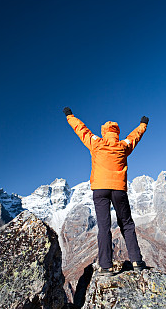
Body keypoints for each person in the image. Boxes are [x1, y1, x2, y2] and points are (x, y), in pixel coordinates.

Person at [63, 107, 149, 275]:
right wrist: (143, 124)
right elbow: (135, 136)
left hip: (100, 189)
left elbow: (81, 129)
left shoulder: (96, 143)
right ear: (117, 133)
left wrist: (69, 116)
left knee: (104, 227)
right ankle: (137, 261)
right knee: (126, 223)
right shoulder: (123, 146)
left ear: (103, 132)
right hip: (118, 189)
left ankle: (106, 266)